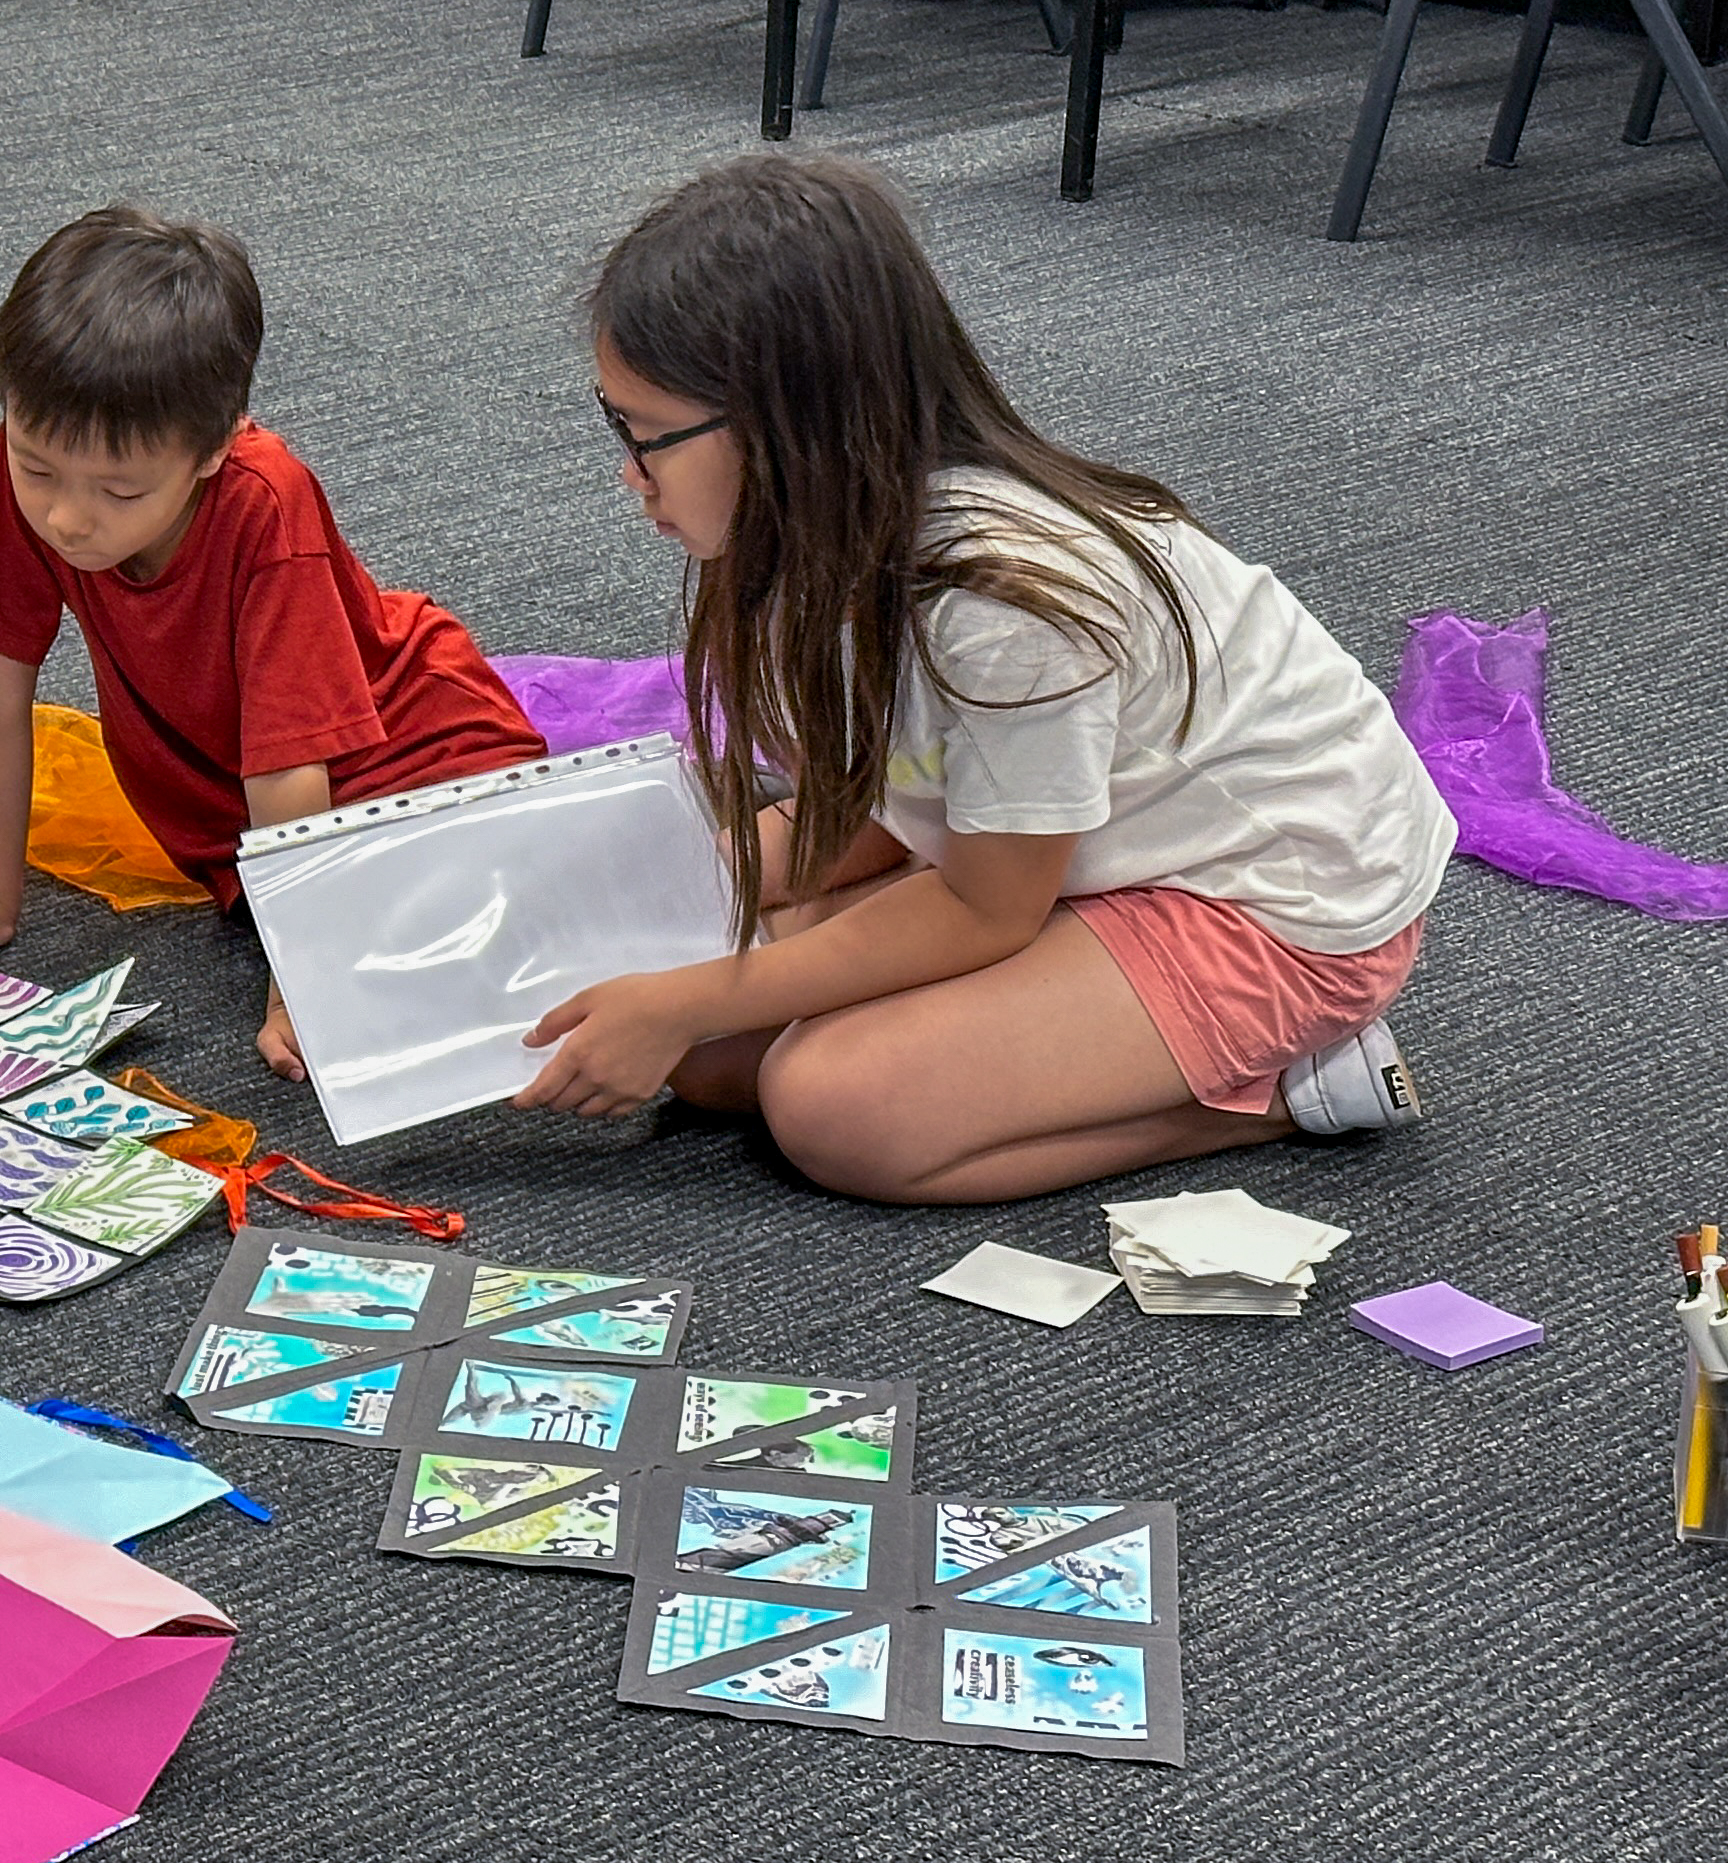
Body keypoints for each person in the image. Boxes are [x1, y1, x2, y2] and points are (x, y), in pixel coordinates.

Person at [512, 152, 1450, 1204]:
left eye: (645, 440)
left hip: (1274, 906)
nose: (629, 476)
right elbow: (890, 792)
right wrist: (680, 908)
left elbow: (985, 909)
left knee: (831, 1109)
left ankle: (1295, 1086)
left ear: (784, 429)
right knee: (708, 1054)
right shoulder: (823, 536)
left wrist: (696, 986)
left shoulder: (1005, 603)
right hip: (1064, 854)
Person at [0, 205, 547, 1076]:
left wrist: (303, 984)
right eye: (38, 470)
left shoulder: (266, 500)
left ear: (214, 448)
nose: (67, 516)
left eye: (120, 490)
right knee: (389, 948)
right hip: (235, 814)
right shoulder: (36, 455)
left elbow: (289, 763)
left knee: (507, 951)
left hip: (411, 753)